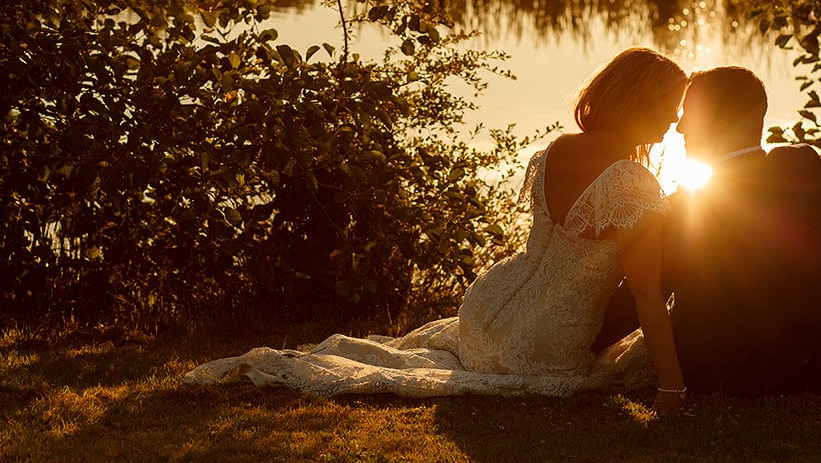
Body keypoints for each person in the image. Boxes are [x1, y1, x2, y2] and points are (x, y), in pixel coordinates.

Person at [185, 47, 690, 410]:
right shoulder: (630, 182)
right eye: (670, 103)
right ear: (637, 100)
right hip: (544, 345)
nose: (675, 117)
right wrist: (672, 388)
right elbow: (646, 292)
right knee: (634, 357)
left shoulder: (555, 150)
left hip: (488, 310)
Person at [594, 66, 821, 397]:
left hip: (726, 374)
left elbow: (641, 295)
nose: (681, 127)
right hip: (818, 368)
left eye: (690, 114)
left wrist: (582, 340)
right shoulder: (802, 171)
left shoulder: (688, 208)